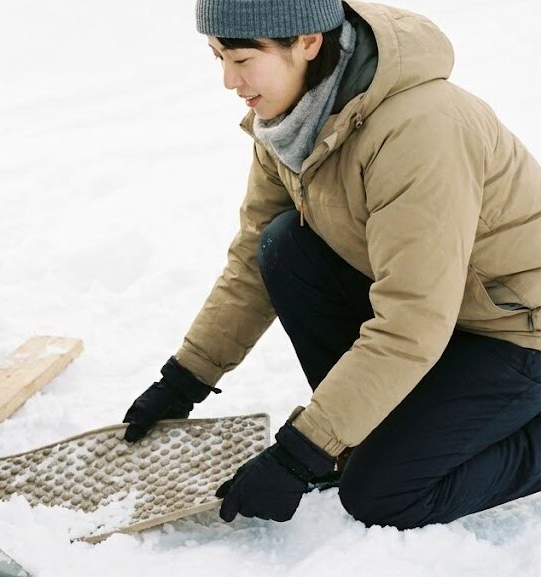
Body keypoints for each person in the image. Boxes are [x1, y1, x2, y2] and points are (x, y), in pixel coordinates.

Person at [123, 0, 541, 529]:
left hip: (515, 330)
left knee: (380, 493)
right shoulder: (292, 120)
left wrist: (301, 453)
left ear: (308, 43)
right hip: (440, 318)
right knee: (283, 245)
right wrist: (187, 377)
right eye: (217, 57)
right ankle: (373, 426)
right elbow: (251, 261)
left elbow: (411, 320)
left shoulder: (419, 129)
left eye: (243, 59)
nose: (229, 80)